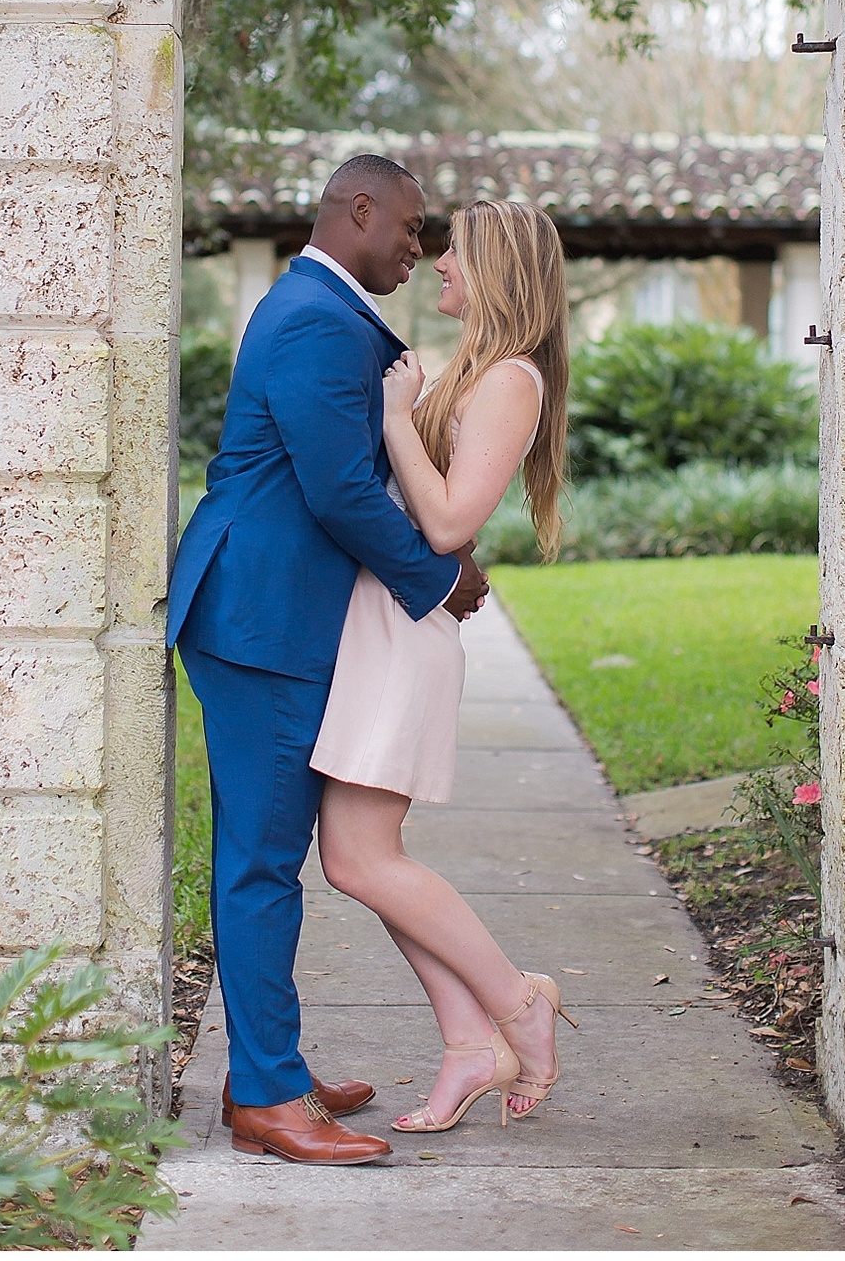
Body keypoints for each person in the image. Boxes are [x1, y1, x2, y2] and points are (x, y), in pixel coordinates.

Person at [168, 155, 489, 1166]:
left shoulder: (322, 307)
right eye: (409, 227)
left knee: (274, 857)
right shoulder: (315, 316)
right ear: (360, 210)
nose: (419, 245)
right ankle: (265, 1099)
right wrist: (439, 582)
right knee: (263, 862)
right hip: (260, 621)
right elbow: (339, 489)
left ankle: (274, 1068)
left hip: (278, 617)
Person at [309, 197, 580, 1136]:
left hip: (405, 636)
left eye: (456, 255)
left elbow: (450, 524)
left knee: (360, 858)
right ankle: (470, 1039)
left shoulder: (510, 378)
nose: (438, 267)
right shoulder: (474, 371)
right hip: (381, 624)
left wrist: (392, 418)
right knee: (358, 859)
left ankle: (514, 1004)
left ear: (497, 270)